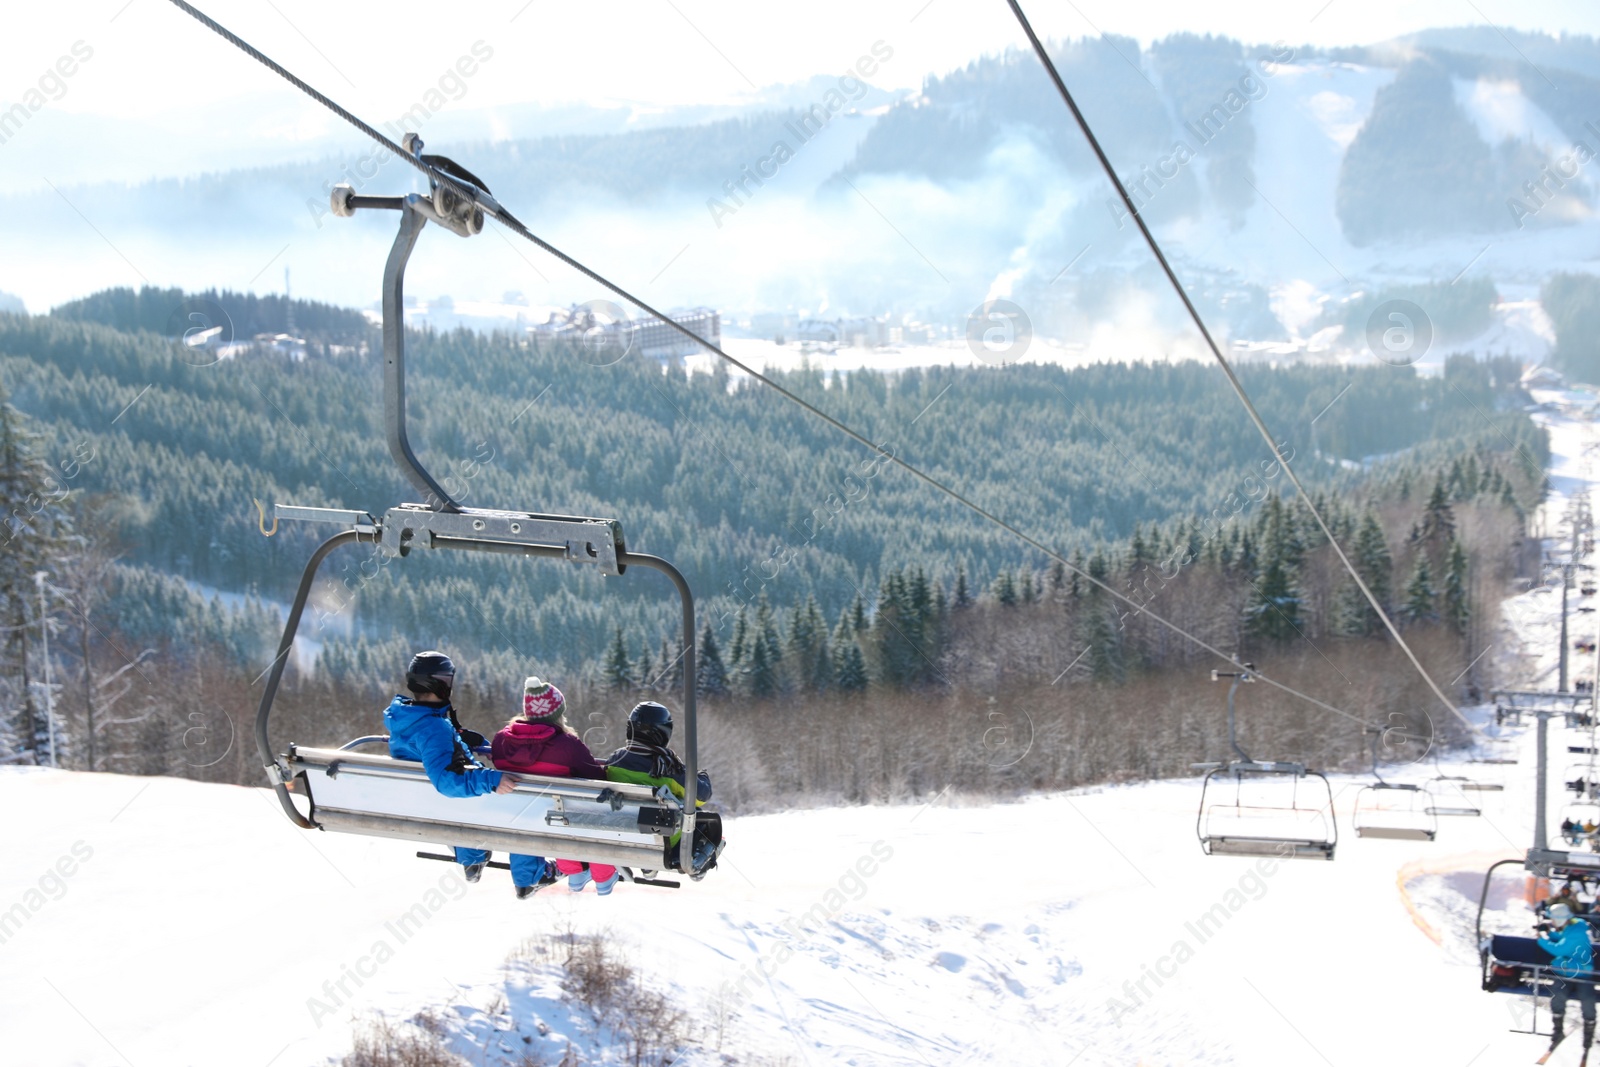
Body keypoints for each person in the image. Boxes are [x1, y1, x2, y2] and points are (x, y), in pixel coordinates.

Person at [384, 650, 546, 889]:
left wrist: (458, 738)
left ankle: (472, 857)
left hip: (430, 804)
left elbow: (427, 748)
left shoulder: (405, 716)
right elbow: (447, 781)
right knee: (521, 804)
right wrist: (492, 780)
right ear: (438, 683)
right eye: (447, 680)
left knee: (464, 801)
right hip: (450, 803)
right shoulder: (433, 727)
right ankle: (529, 878)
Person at [490, 677, 619, 897]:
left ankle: (573, 871)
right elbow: (596, 779)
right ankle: (597, 872)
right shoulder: (568, 745)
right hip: (558, 822)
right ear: (557, 714)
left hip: (516, 818)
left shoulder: (501, 741)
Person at [605, 700, 723, 879]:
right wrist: (699, 775)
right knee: (700, 817)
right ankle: (695, 867)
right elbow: (700, 795)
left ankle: (647, 865)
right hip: (664, 839)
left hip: (623, 833)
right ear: (663, 733)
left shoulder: (614, 760)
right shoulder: (668, 768)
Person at [1539, 902, 1597, 1054]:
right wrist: (1551, 934)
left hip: (1582, 973)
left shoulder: (1577, 932)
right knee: (1558, 993)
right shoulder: (1572, 927)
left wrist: (1542, 939)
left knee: (1588, 999)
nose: (1551, 922)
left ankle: (1588, 1037)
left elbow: (1559, 948)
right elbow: (1562, 938)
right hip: (1568, 973)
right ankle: (1557, 1030)